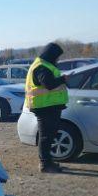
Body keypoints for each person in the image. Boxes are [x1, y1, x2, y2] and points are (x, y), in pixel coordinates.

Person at [24, 42, 69, 173]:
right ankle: (45, 164)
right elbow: (48, 84)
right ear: (52, 55)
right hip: (43, 107)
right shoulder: (41, 67)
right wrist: (63, 79)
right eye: (57, 56)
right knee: (46, 136)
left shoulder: (45, 65)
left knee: (50, 134)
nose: (58, 59)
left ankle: (48, 161)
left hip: (49, 106)